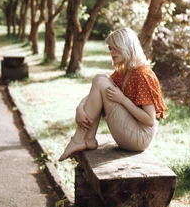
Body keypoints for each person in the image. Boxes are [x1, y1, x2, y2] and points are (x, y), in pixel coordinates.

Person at [59, 27, 167, 161]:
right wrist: (80, 107)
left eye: (115, 48)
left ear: (126, 46)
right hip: (130, 132)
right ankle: (88, 138)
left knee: (100, 79)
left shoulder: (143, 75)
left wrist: (123, 100)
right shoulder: (124, 72)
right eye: (110, 48)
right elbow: (98, 92)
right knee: (101, 79)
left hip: (140, 137)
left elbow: (150, 120)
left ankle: (79, 139)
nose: (111, 52)